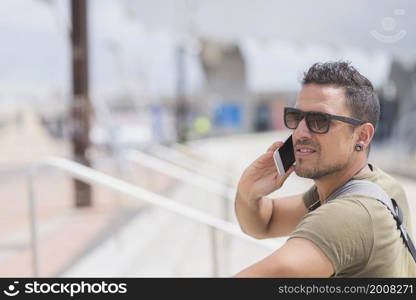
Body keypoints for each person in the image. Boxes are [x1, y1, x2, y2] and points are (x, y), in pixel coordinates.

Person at [233, 61, 416, 277]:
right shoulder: (378, 185)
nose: (300, 132)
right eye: (296, 117)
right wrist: (249, 190)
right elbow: (266, 222)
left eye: (319, 121)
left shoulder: (348, 215)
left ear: (362, 136)